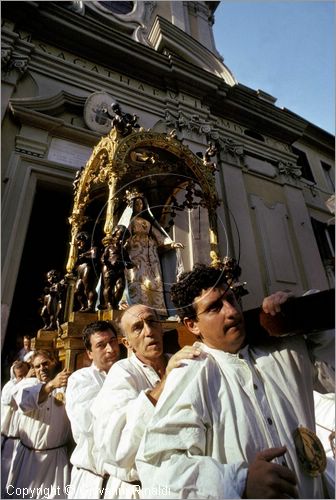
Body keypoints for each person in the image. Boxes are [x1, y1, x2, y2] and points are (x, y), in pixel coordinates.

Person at [136, 264, 335, 499]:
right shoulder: (191, 372)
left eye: (231, 298)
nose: (231, 311)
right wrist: (239, 482)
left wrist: (302, 316)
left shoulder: (283, 347)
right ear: (192, 325)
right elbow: (159, 468)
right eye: (214, 307)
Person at [91, 304, 201, 499]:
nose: (149, 332)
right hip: (137, 490)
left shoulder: (181, 361)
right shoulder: (122, 373)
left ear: (161, 328)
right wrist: (166, 381)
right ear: (127, 343)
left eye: (152, 322)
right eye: (138, 327)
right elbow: (119, 450)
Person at [65, 320, 121, 499]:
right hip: (92, 481)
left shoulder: (127, 373)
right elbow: (90, 424)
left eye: (113, 341)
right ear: (89, 353)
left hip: (120, 484)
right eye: (101, 345)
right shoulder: (80, 379)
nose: (110, 349)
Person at [8, 350, 72, 499]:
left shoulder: (66, 386)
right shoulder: (26, 385)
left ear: (53, 362)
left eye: (45, 364)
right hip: (30, 460)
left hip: (56, 461)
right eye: (37, 366)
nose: (42, 368)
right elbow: (24, 402)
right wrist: (51, 385)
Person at [122, 190, 184, 316]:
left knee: (153, 281)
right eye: (137, 204)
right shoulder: (129, 222)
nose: (139, 206)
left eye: (141, 203)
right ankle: (135, 309)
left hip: (151, 256)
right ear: (131, 206)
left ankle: (154, 310)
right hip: (135, 253)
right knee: (136, 279)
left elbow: (159, 236)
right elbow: (122, 236)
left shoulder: (148, 223)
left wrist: (171, 244)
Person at [1, 361, 30, 498]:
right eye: (19, 376)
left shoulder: (31, 385)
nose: (21, 378)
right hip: (10, 441)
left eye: (24, 375)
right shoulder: (10, 385)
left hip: (23, 444)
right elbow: (9, 399)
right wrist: (24, 381)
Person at [99, 225, 134, 310]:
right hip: (109, 269)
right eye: (120, 238)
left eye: (124, 239)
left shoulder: (124, 251)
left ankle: (114, 303)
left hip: (119, 271)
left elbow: (128, 263)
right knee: (108, 287)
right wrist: (108, 264)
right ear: (114, 236)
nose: (122, 241)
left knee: (120, 287)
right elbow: (103, 259)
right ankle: (108, 303)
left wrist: (131, 264)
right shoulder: (109, 248)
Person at [74, 231, 100, 312]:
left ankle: (91, 307)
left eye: (80, 243)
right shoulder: (82, 253)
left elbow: (94, 258)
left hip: (88, 269)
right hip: (81, 270)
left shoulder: (93, 249)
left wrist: (84, 256)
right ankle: (83, 306)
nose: (79, 246)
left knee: (88, 288)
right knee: (77, 290)